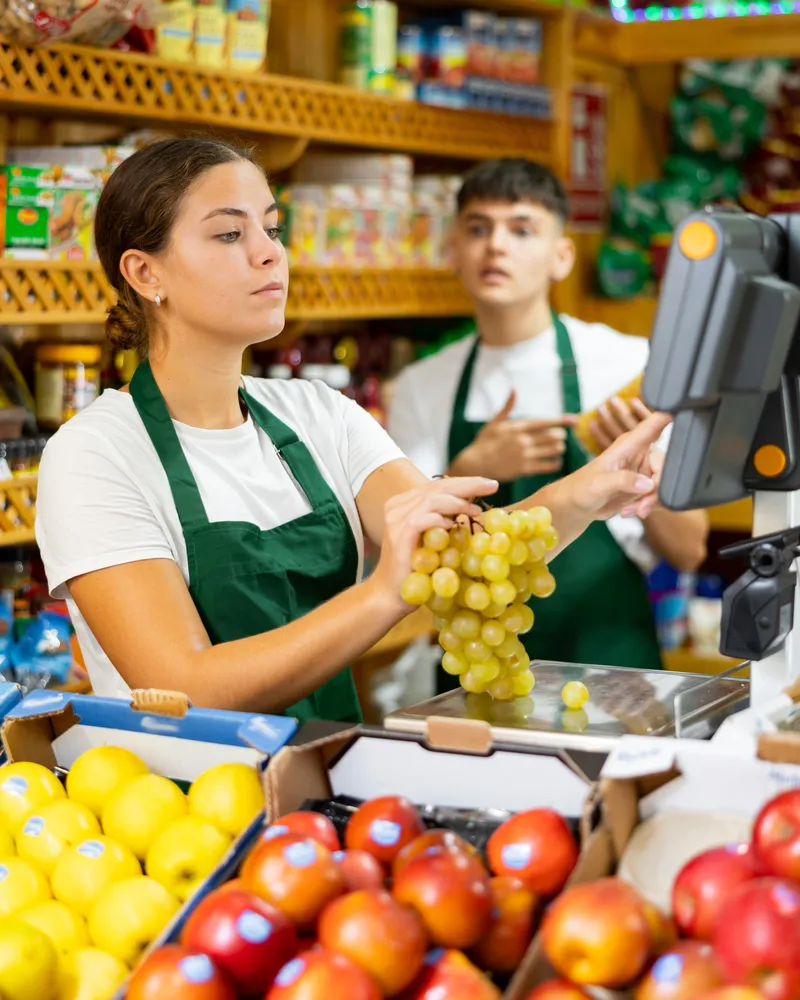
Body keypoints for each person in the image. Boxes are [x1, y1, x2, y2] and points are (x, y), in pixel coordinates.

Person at [36, 138, 671, 722]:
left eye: (272, 227)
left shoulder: (320, 414)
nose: (269, 251)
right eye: (230, 233)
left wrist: (590, 491)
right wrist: (383, 594)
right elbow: (185, 689)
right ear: (146, 275)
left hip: (327, 793)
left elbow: (476, 561)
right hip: (184, 812)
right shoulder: (96, 454)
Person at [388, 158, 708, 679]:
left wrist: (640, 469)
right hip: (477, 668)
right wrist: (469, 464)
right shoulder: (424, 385)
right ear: (452, 250)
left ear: (562, 256)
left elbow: (690, 549)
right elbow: (404, 554)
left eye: (521, 229)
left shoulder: (630, 365)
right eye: (477, 228)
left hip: (611, 666)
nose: (496, 245)